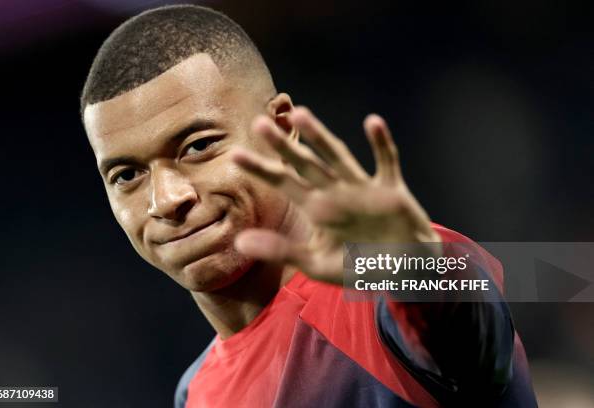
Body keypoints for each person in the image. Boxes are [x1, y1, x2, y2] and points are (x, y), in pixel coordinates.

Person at [80, 5, 537, 408]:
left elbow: (469, 345)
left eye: (198, 146)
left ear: (279, 128)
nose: (167, 199)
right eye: (126, 175)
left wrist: (416, 261)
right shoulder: (195, 392)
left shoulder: (385, 288)